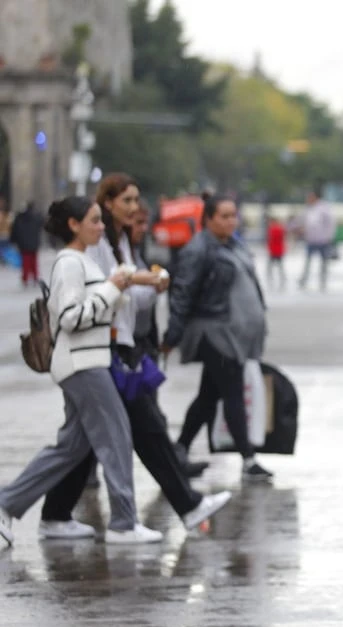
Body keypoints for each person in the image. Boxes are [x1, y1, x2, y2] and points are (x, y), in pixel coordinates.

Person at [40, 176, 231, 537]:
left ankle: (54, 514)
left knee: (83, 442)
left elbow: (123, 295)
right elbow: (99, 295)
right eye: (127, 201)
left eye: (136, 201)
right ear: (107, 204)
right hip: (103, 350)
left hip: (117, 345)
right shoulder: (91, 247)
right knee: (136, 431)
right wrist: (134, 283)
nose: (133, 208)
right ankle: (143, 518)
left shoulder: (119, 241)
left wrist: (150, 285)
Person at [0, 196, 162, 546]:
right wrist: (111, 289)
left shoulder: (80, 261)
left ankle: (8, 503)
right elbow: (70, 317)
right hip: (82, 363)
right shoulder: (70, 263)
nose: (102, 227)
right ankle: (123, 522)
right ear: (74, 225)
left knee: (71, 447)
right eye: (94, 221)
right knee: (116, 436)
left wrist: (119, 288)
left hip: (86, 361)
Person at [164, 194, 273, 481]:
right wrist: (172, 334)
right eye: (223, 216)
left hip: (234, 334)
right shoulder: (198, 250)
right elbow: (182, 293)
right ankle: (248, 460)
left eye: (233, 215)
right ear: (209, 219)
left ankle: (180, 449)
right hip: (214, 332)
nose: (230, 221)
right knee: (232, 393)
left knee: (208, 396)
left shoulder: (234, 245)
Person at [298, 186, 335, 291]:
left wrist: (329, 236)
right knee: (308, 261)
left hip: (323, 239)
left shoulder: (324, 208)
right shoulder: (308, 209)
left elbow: (330, 223)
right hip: (311, 239)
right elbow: (304, 221)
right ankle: (304, 280)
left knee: (323, 262)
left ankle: (323, 281)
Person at [266, 215, 287, 290]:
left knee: (271, 265)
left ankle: (270, 276)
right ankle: (282, 276)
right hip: (279, 250)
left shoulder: (272, 229)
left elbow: (270, 239)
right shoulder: (280, 228)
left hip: (274, 250)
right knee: (279, 265)